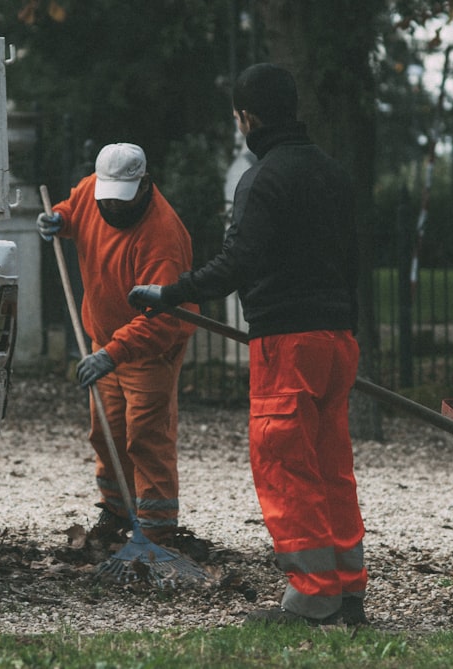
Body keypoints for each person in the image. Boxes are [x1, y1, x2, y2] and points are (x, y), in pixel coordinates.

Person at [129, 63, 368, 626]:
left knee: (286, 467)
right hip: (338, 340)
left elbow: (239, 263)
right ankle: (347, 591)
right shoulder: (334, 173)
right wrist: (346, 323)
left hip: (286, 343)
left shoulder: (261, 179)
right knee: (332, 467)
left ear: (247, 118)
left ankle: (313, 597)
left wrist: (170, 292)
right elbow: (353, 257)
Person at [36, 142, 198, 545]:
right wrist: (59, 218)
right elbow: (76, 208)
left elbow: (161, 321)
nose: (114, 207)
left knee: (145, 434)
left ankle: (158, 530)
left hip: (148, 350)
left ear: (144, 183)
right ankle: (116, 511)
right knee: (104, 430)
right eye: (107, 198)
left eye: (122, 199)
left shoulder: (162, 236)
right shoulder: (95, 190)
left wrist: (113, 353)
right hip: (104, 339)